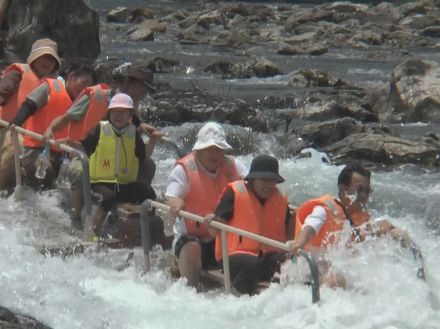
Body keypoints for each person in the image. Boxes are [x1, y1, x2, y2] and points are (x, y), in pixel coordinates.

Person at [41, 63, 159, 226]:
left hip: (113, 164)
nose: (144, 93)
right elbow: (65, 118)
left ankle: (132, 211)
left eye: (147, 90)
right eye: (141, 88)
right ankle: (75, 219)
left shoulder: (133, 109)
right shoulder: (96, 96)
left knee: (148, 166)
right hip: (82, 152)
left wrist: (148, 133)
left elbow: (133, 140)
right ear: (126, 82)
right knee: (82, 168)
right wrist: (50, 130)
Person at [288, 163, 412, 287]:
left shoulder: (361, 216)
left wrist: (393, 231)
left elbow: (376, 226)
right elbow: (311, 225)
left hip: (333, 266)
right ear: (343, 189)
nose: (364, 196)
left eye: (367, 191)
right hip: (306, 265)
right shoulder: (326, 209)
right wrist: (301, 240)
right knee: (337, 280)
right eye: (359, 190)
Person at [165, 122, 247, 287]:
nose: (214, 153)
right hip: (194, 239)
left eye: (218, 148)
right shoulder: (184, 170)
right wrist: (176, 202)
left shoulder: (233, 165)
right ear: (198, 149)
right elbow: (172, 196)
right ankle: (191, 289)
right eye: (209, 148)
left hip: (225, 237)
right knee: (192, 246)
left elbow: (252, 184)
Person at [203, 155, 294, 295]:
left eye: (272, 181)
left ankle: (281, 299)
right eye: (264, 180)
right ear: (252, 179)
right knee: (252, 264)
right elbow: (216, 229)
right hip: (233, 256)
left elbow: (290, 230)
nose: (268, 185)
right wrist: (211, 221)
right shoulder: (234, 193)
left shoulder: (280, 198)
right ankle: (237, 299)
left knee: (289, 263)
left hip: (269, 255)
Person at [81, 93, 161, 236]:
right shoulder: (99, 129)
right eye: (115, 112)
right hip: (100, 183)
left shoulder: (133, 133)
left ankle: (148, 231)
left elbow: (144, 158)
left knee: (148, 193)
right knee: (109, 198)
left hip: (124, 183)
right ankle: (93, 232)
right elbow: (84, 148)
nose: (119, 116)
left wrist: (153, 140)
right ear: (109, 113)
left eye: (123, 112)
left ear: (130, 115)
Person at [10, 63, 95, 190]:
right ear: (71, 77)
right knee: (46, 171)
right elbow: (29, 105)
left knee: (80, 172)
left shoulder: (83, 105)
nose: (85, 90)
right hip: (36, 149)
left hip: (62, 153)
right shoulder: (50, 87)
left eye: (88, 87)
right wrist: (15, 123)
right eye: (83, 83)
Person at [0, 38, 61, 191]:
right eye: (43, 57)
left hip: (36, 137)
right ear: (34, 58)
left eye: (51, 59)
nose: (47, 62)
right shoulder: (17, 73)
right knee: (14, 145)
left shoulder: (56, 84)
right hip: (8, 127)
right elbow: (4, 89)